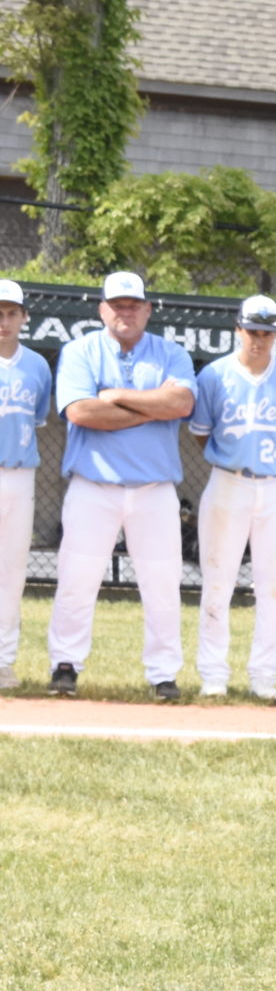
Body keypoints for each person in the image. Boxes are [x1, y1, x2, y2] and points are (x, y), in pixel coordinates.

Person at [46, 271, 195, 701]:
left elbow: (182, 403)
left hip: (155, 489)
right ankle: (65, 664)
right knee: (77, 579)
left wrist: (113, 394)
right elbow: (81, 413)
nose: (125, 311)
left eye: (134, 304)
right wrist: (152, 407)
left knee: (163, 583)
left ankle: (164, 674)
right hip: (94, 484)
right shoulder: (79, 351)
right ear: (102, 309)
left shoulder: (171, 354)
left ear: (147, 309)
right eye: (117, 304)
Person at [188, 294, 276, 703]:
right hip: (227, 482)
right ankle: (213, 674)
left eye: (267, 333)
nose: (259, 340)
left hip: (275, 487)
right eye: (252, 331)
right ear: (237, 330)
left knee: (272, 586)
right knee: (218, 581)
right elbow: (202, 432)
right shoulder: (214, 376)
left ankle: (263, 676)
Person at [0, 279, 52, 690]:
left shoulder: (36, 365)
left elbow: (35, 420)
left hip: (19, 476)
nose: (4, 321)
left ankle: (3, 660)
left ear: (24, 318)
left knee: (13, 570)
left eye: (11, 313)